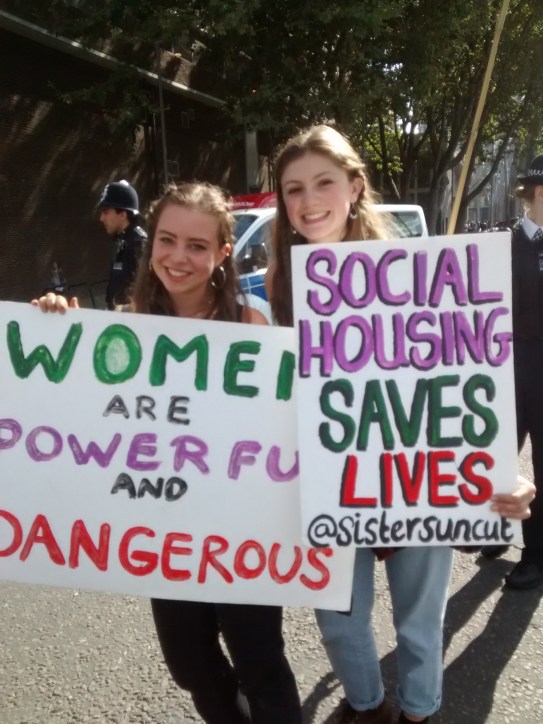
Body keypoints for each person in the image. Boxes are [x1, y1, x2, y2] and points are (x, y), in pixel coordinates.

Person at [265, 124, 536, 724]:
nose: (309, 201)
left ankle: (418, 711)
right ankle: (368, 707)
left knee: (419, 620)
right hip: (330, 482)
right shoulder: (279, 281)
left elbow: (467, 381)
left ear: (355, 187)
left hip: (418, 477)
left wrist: (500, 471)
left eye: (324, 183)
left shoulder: (423, 271)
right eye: (293, 189)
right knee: (338, 620)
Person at [33, 182, 302, 724]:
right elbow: (86, 415)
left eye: (197, 246)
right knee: (191, 667)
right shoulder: (128, 325)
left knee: (260, 664)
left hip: (240, 532)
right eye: (168, 240)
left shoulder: (249, 321)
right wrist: (55, 327)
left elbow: (284, 421)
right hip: (166, 533)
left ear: (222, 252)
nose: (179, 257)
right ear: (151, 241)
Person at [481, 154, 543, 590]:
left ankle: (536, 554)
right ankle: (496, 526)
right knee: (497, 452)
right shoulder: (499, 245)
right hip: (505, 364)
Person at [97, 179, 147, 310]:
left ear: (123, 215)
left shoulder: (139, 244)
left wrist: (123, 312)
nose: (101, 218)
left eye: (106, 212)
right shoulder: (121, 240)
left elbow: (147, 294)